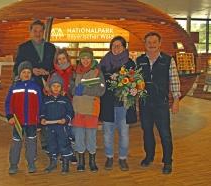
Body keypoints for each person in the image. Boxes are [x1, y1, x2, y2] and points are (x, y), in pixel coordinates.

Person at [136, 32, 181, 174]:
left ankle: (167, 161)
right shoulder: (140, 60)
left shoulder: (168, 60)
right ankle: (149, 156)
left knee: (165, 133)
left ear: (160, 43)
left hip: (161, 104)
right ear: (145, 43)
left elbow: (174, 81)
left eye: (154, 42)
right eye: (149, 42)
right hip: (145, 103)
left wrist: (176, 100)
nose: (152, 44)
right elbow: (136, 81)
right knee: (147, 131)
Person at [13, 19, 56, 153]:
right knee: (31, 114)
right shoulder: (23, 47)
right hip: (30, 87)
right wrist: (32, 71)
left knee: (46, 113)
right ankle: (30, 144)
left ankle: (45, 143)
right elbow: (17, 69)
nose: (38, 33)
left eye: (40, 31)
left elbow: (55, 67)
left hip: (47, 86)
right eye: (35, 31)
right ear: (30, 32)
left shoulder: (51, 47)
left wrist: (48, 72)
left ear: (44, 32)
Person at [99, 36, 136, 171]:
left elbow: (134, 82)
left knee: (124, 134)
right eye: (113, 45)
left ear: (124, 47)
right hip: (108, 104)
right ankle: (109, 157)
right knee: (107, 133)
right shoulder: (103, 63)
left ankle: (122, 158)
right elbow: (99, 82)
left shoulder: (130, 63)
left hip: (123, 105)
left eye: (119, 45)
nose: (116, 48)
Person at [70, 47, 105, 172]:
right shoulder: (75, 72)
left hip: (92, 109)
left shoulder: (97, 72)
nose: (85, 60)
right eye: (83, 58)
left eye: (88, 58)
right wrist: (75, 90)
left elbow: (101, 89)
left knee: (91, 136)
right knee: (79, 136)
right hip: (78, 109)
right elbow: (71, 89)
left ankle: (92, 161)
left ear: (92, 59)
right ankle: (81, 161)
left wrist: (84, 90)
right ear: (80, 59)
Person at [5, 61, 42, 174]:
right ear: (19, 74)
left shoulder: (36, 87)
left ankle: (31, 163)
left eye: (28, 72)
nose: (26, 74)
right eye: (24, 72)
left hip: (32, 121)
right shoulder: (14, 87)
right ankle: (13, 164)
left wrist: (39, 119)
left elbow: (40, 104)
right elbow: (8, 103)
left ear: (31, 74)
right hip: (17, 121)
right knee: (16, 143)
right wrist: (10, 115)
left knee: (31, 143)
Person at [40, 73, 74, 174]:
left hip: (62, 128)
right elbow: (42, 112)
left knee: (64, 145)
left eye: (58, 86)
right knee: (51, 145)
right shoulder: (46, 100)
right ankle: (53, 163)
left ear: (61, 88)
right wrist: (42, 119)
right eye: (53, 86)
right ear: (50, 87)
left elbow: (71, 112)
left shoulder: (65, 100)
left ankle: (65, 164)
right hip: (49, 128)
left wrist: (66, 119)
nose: (55, 88)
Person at [53, 48, 77, 164]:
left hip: (73, 104)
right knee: (63, 130)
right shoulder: (54, 74)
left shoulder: (74, 72)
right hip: (60, 106)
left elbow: (78, 88)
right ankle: (64, 152)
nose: (62, 61)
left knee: (72, 130)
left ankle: (72, 153)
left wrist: (69, 91)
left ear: (67, 58)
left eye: (63, 58)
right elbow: (49, 89)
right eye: (59, 59)